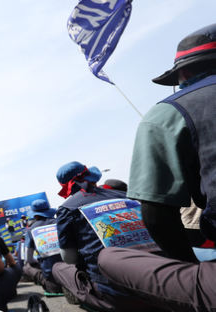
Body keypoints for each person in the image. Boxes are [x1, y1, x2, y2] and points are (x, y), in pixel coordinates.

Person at [98, 23, 216, 311]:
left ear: (184, 73)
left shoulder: (166, 113)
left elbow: (156, 217)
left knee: (109, 258)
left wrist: (190, 272)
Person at [52, 161, 155, 311]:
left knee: (59, 268)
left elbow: (70, 258)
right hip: (157, 278)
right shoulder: (125, 196)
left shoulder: (67, 209)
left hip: (116, 293)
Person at [24, 199, 63, 295]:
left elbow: (28, 258)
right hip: (72, 274)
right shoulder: (60, 223)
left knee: (27, 267)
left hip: (52, 282)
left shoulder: (31, 230)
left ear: (35, 215)